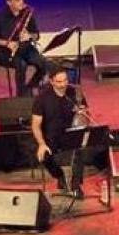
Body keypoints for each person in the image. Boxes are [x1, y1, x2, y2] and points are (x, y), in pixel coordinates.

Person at [31, 69, 88, 197]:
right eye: (59, 82)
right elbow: (35, 125)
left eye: (65, 80)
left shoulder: (76, 93)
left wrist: (82, 113)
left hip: (71, 134)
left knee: (81, 148)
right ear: (51, 82)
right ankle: (59, 175)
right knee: (44, 156)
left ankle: (75, 185)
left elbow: (85, 115)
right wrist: (41, 144)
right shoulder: (42, 99)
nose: (63, 84)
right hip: (51, 137)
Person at [0, 0, 50, 97]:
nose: (21, 2)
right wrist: (7, 43)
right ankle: (21, 97)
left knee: (43, 63)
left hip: (26, 49)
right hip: (6, 53)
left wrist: (29, 36)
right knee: (21, 64)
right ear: (8, 2)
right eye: (17, 0)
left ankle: (28, 89)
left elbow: (36, 35)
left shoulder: (27, 13)